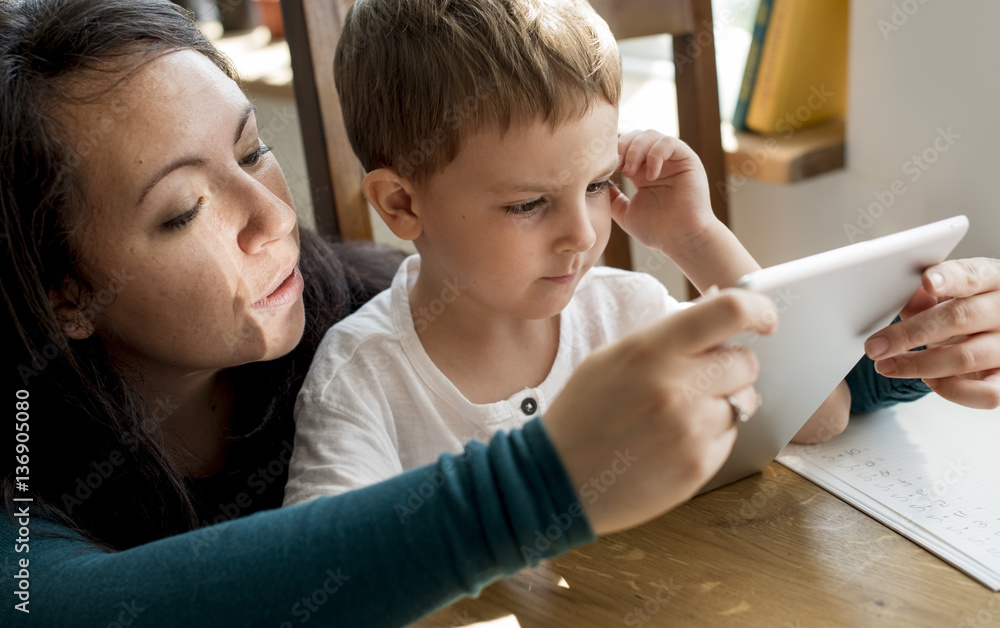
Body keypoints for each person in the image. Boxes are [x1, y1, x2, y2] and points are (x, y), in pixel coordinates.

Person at [1, 0, 997, 626]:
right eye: (181, 208)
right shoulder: (359, 363)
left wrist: (901, 345)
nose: (274, 214)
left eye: (254, 150)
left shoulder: (331, 294)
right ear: (64, 292)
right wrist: (545, 479)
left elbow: (770, 396)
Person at [282, 0, 847, 504]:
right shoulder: (361, 377)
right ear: (402, 203)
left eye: (598, 185)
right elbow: (321, 581)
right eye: (528, 204)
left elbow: (820, 414)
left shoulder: (625, 312)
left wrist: (695, 239)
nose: (582, 234)